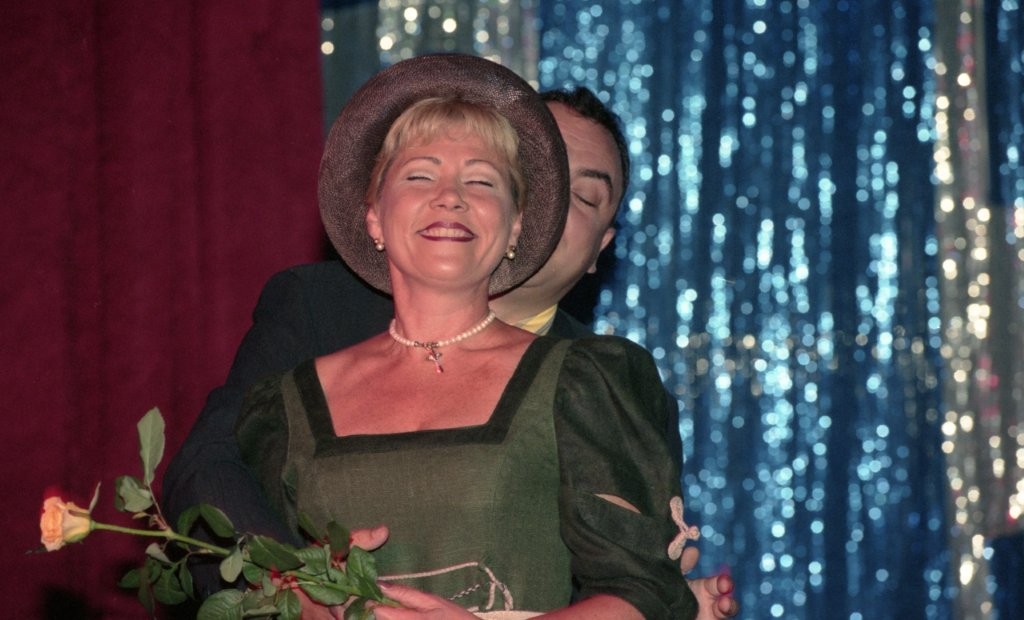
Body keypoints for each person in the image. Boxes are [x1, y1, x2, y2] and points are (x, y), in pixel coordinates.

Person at [163, 74, 737, 617]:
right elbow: (208, 477)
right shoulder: (314, 321)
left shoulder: (606, 384)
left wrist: (656, 602)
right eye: (533, 174)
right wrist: (293, 587)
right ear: (373, 215)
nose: (452, 199)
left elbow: (631, 584)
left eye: (581, 196)